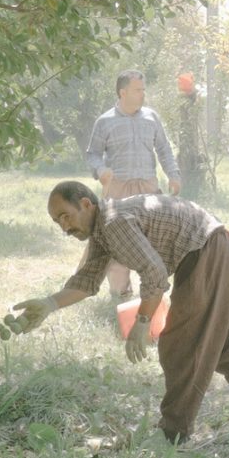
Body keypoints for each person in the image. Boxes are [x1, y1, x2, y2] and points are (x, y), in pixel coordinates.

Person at [8, 181, 229, 443]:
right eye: (58, 222)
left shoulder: (113, 223)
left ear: (86, 204)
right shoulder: (103, 230)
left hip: (208, 251)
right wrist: (48, 304)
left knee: (181, 346)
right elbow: (87, 282)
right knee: (223, 343)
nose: (65, 227)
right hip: (216, 248)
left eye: (66, 216)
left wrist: (142, 322)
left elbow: (153, 272)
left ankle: (172, 434)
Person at [85, 70, 181, 304]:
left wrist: (173, 174)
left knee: (154, 242)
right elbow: (93, 154)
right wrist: (101, 171)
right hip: (118, 191)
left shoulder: (151, 117)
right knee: (118, 244)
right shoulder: (105, 121)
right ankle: (121, 297)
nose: (143, 94)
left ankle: (154, 293)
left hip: (148, 190)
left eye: (143, 89)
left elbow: (164, 149)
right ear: (123, 92)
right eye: (138, 90)